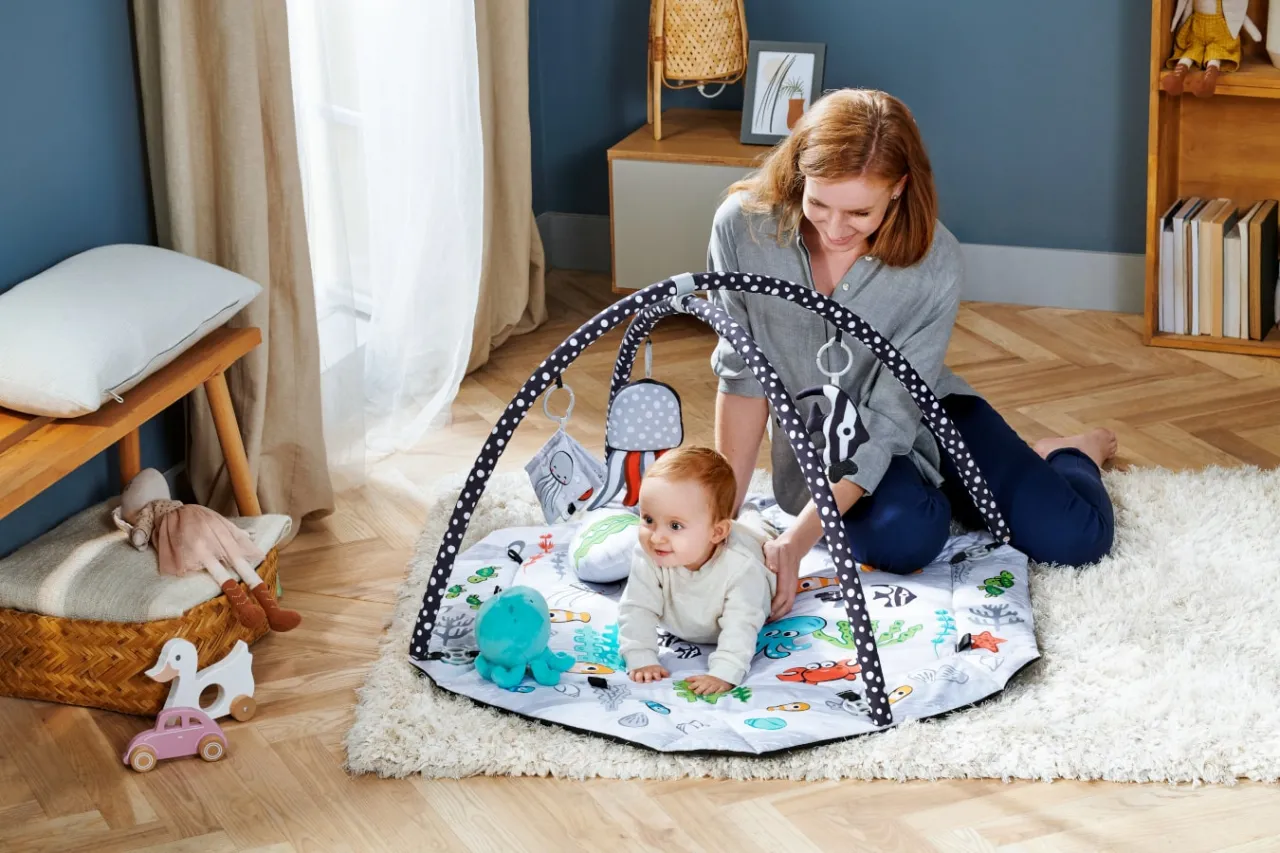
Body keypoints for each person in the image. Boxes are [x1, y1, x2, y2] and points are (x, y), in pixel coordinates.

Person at [707, 88, 1117, 621]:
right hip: (830, 446)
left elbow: (892, 417)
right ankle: (950, 497)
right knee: (907, 537)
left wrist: (797, 542)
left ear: (898, 188)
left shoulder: (936, 259)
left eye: (859, 212)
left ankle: (1070, 454)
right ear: (798, 172)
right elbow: (742, 379)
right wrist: (721, 523)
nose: (834, 230)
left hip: (925, 414)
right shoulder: (742, 228)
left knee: (1076, 538)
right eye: (818, 204)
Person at [617, 446, 776, 695]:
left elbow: (742, 624)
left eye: (675, 525)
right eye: (648, 519)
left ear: (717, 533)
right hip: (717, 537)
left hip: (752, 544)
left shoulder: (741, 568)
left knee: (759, 531)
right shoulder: (650, 554)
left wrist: (724, 672)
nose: (657, 537)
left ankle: (753, 512)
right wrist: (640, 656)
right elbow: (636, 607)